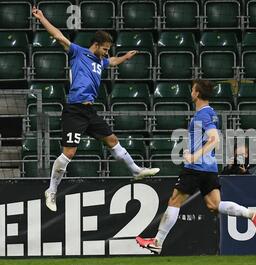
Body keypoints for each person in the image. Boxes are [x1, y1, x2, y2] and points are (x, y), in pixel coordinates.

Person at [32, 7, 160, 212]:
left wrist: (125, 57)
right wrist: (42, 18)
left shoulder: (101, 61)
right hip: (74, 110)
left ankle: (136, 170)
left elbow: (113, 61)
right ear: (96, 45)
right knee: (69, 154)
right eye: (105, 49)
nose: (107, 53)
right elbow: (58, 36)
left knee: (112, 141)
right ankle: (51, 190)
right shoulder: (78, 53)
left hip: (90, 112)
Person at [136, 80, 256, 254]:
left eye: (192, 90)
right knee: (214, 204)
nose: (191, 93)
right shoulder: (210, 113)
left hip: (195, 167)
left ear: (197, 94)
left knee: (175, 201)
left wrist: (195, 156)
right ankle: (251, 214)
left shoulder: (204, 114)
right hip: (209, 168)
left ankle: (157, 242)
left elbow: (215, 139)